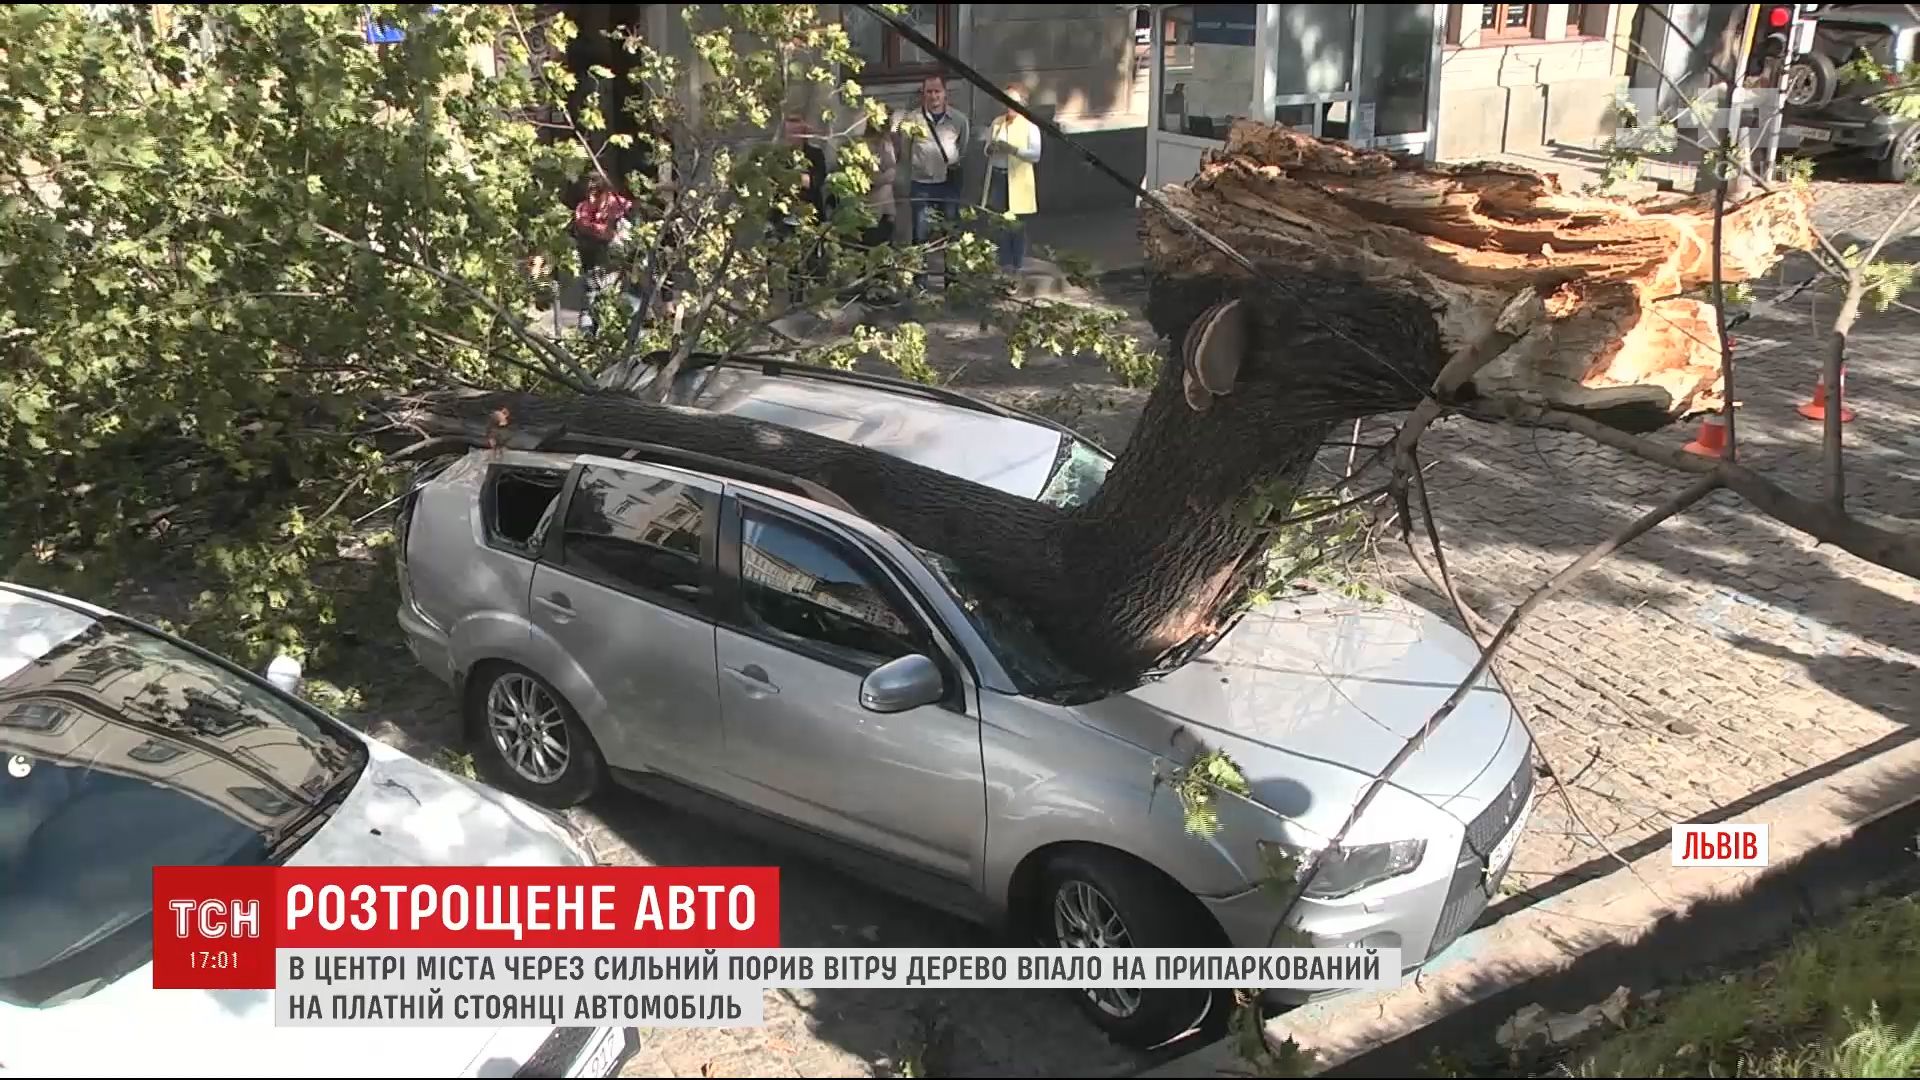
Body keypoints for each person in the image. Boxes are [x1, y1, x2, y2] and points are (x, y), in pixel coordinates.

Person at [897, 72, 968, 285]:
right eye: (929, 92)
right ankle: (921, 284)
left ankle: (952, 283)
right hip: (922, 185)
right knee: (920, 234)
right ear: (923, 94)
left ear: (945, 93)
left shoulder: (959, 120)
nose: (933, 96)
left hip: (948, 184)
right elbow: (906, 151)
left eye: (937, 91)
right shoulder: (912, 120)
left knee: (951, 233)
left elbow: (962, 150)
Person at [982, 83, 1041, 272]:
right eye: (1006, 101)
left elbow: (1035, 155)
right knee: (1000, 223)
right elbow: (986, 148)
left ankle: (1017, 265)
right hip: (999, 176)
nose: (1009, 106)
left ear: (1023, 103)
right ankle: (1003, 264)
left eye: (1014, 102)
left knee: (1016, 225)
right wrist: (991, 148)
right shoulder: (997, 122)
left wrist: (1013, 150)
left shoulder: (1030, 126)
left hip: (1018, 180)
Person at [570, 171, 631, 333]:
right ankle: (588, 328)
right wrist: (603, 230)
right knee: (590, 291)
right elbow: (584, 225)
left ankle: (611, 327)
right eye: (589, 193)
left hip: (614, 260)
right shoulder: (583, 208)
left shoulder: (617, 204)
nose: (592, 198)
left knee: (611, 295)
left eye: (596, 193)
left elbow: (632, 214)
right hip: (592, 255)